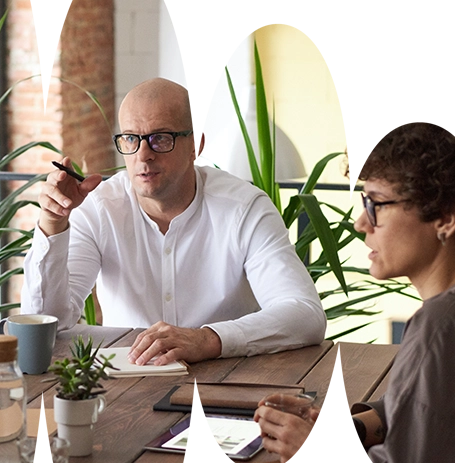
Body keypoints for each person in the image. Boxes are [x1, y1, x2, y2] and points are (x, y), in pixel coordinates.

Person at [256, 120, 455, 463]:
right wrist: (347, 429)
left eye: (377, 204)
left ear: (446, 218)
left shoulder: (444, 326)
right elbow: (431, 412)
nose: (359, 223)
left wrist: (319, 455)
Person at [22, 77, 325, 365]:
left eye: (160, 139)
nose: (143, 155)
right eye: (131, 139)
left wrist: (206, 340)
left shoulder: (245, 209)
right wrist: (53, 222)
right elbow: (47, 324)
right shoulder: (100, 208)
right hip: (127, 382)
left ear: (196, 144)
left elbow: (304, 314)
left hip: (227, 381)